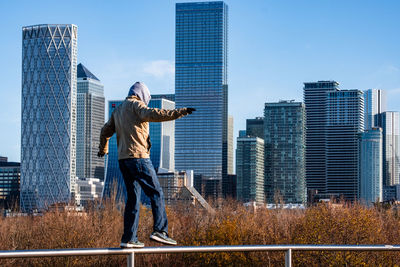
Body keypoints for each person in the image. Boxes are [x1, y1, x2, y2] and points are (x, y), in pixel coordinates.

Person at [98, 82, 195, 248]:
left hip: (123, 161)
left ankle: (129, 238)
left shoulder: (118, 110)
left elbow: (105, 131)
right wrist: (180, 112)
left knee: (133, 199)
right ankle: (160, 230)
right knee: (156, 192)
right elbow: (154, 114)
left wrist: (103, 149)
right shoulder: (137, 106)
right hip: (139, 158)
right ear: (141, 95)